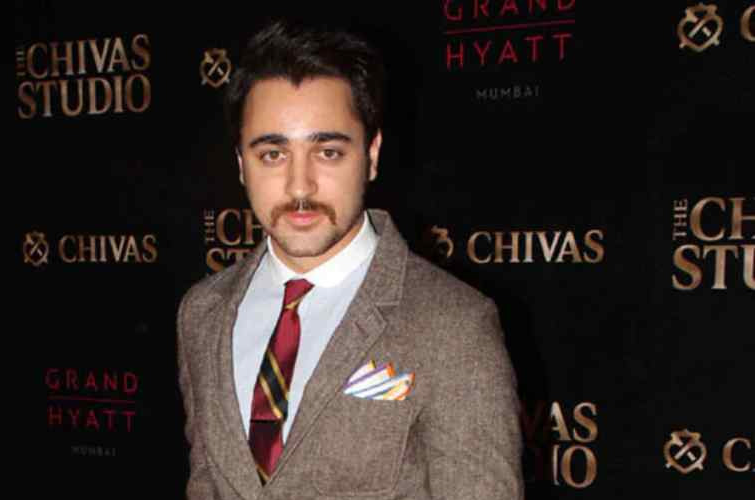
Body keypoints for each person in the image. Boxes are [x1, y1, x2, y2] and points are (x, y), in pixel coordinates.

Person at [176, 19, 523, 499]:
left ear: (371, 155)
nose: (300, 186)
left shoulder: (454, 325)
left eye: (328, 152)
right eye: (273, 154)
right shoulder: (202, 313)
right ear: (240, 163)